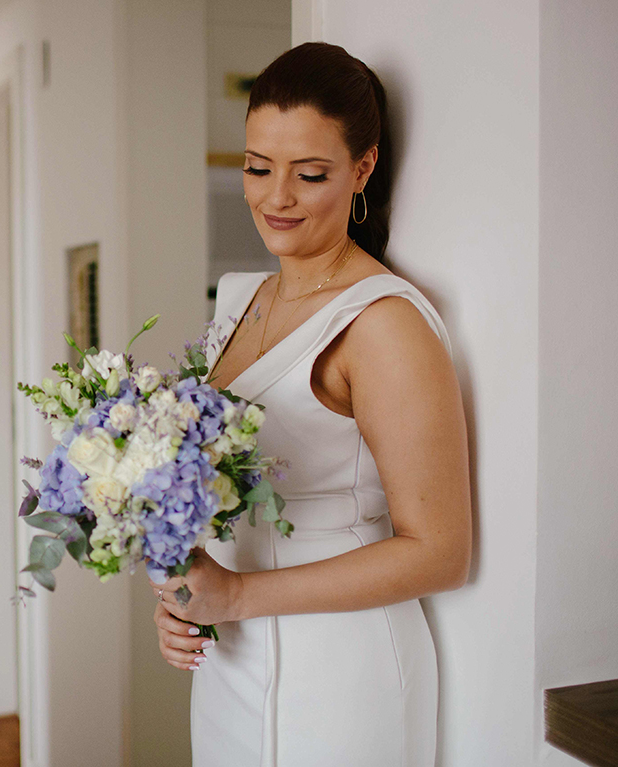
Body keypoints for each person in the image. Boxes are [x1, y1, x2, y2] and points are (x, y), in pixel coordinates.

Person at [149, 42, 472, 766]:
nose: (276, 196)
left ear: (363, 169)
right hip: (230, 656)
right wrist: (184, 598)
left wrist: (234, 596)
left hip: (338, 669)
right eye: (258, 167)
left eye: (311, 173)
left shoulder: (383, 323)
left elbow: (441, 551)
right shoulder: (239, 300)